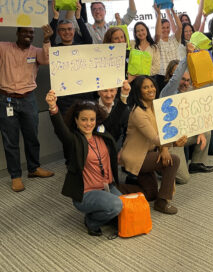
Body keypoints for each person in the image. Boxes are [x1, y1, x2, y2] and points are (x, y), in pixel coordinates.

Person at [45, 89, 127, 236]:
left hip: (106, 187)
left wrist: (124, 94)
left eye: (92, 119)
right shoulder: (73, 141)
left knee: (125, 208)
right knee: (116, 205)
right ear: (76, 120)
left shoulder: (102, 134)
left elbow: (115, 116)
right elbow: (60, 128)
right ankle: (92, 221)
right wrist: (53, 107)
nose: (88, 123)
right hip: (86, 193)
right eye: (83, 119)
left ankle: (103, 210)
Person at [120, 75, 186, 214]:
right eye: (145, 87)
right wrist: (173, 143)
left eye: (151, 86)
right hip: (136, 156)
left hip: (148, 153)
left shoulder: (156, 107)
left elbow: (163, 130)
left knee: (150, 194)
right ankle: (162, 202)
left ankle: (116, 188)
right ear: (138, 92)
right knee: (174, 161)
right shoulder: (138, 112)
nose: (150, 89)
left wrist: (165, 149)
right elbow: (156, 138)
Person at [0, 25, 54, 192]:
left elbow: (47, 60)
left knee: (32, 136)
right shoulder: (3, 47)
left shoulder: (36, 51)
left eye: (31, 32)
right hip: (6, 99)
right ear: (17, 33)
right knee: (10, 140)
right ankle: (15, 176)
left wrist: (46, 39)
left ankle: (34, 168)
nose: (28, 35)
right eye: (24, 31)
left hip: (28, 99)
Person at [160, 47, 213, 184]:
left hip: (185, 134)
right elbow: (175, 80)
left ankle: (196, 163)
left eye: (187, 80)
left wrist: (200, 130)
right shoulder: (167, 92)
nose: (185, 83)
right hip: (171, 142)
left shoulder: (189, 92)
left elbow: (209, 87)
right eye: (182, 79)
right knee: (184, 179)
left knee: (206, 131)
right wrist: (187, 56)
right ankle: (160, 166)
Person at [97, 85, 158, 201]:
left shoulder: (124, 108)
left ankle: (125, 180)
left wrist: (122, 149)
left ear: (116, 91)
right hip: (98, 146)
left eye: (112, 90)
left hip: (117, 144)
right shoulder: (93, 108)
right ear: (98, 91)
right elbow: (103, 130)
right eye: (105, 90)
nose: (109, 94)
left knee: (151, 192)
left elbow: (127, 132)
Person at [130, 6, 161, 78]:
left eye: (142, 30)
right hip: (134, 80)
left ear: (146, 30)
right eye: (137, 31)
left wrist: (140, 73)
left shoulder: (154, 47)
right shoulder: (132, 44)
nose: (140, 33)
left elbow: (156, 67)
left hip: (150, 79)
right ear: (135, 33)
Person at [156, 6, 182, 91]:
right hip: (163, 77)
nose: (165, 30)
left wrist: (172, 9)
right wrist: (159, 14)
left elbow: (180, 27)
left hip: (177, 74)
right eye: (163, 27)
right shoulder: (157, 41)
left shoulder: (174, 39)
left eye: (167, 27)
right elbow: (157, 33)